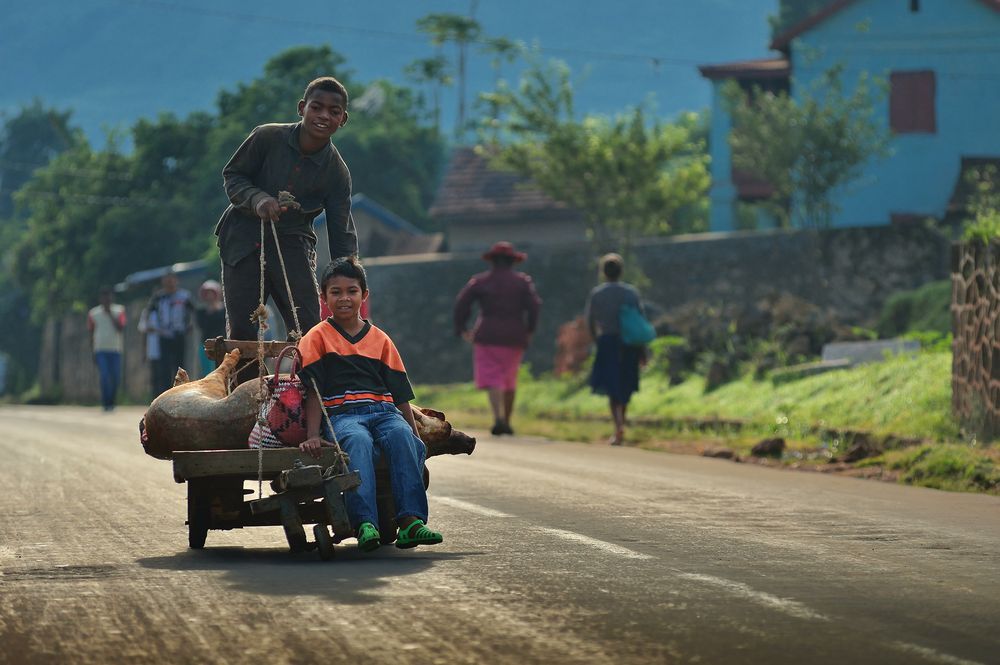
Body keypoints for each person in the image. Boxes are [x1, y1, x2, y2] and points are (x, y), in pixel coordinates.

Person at [297, 257, 442, 552]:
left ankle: (411, 522)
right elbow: (312, 392)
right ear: (323, 298)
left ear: (364, 296)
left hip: (384, 412)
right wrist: (313, 434)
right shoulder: (315, 339)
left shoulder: (381, 340)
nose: (344, 298)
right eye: (335, 292)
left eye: (352, 291)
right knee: (358, 442)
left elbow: (400, 395)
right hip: (342, 415)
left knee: (403, 438)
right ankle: (364, 522)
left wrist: (416, 437)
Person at [215, 76, 358, 368]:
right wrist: (257, 199)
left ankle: (304, 400)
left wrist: (348, 277)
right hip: (241, 239)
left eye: (333, 112)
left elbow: (340, 230)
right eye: (316, 107)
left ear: (342, 119)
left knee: (306, 326)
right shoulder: (267, 137)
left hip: (293, 243)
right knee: (243, 333)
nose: (323, 116)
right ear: (302, 108)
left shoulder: (336, 172)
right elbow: (233, 175)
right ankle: (250, 401)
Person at [453, 241, 542, 436]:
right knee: (509, 378)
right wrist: (529, 329)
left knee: (493, 377)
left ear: (492, 261)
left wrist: (462, 328)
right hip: (515, 334)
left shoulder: (481, 281)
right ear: (513, 261)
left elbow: (462, 303)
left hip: (487, 335)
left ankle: (498, 418)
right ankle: (508, 421)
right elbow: (534, 306)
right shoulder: (522, 282)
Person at [584, 253, 648, 446]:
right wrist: (643, 350)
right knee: (625, 383)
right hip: (629, 343)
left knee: (612, 385)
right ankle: (622, 423)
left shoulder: (597, 294)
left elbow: (589, 321)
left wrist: (597, 340)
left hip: (608, 343)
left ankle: (617, 424)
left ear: (604, 272)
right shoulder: (631, 293)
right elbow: (640, 323)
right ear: (621, 271)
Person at [145, 271, 194, 396]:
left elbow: (193, 312)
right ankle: (165, 394)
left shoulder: (184, 296)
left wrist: (190, 325)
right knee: (164, 367)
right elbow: (149, 313)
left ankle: (181, 393)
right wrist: (153, 327)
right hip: (164, 335)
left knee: (180, 366)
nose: (170, 283)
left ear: (176, 281)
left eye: (172, 280)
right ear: (163, 282)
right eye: (167, 280)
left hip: (179, 335)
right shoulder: (158, 297)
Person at [87, 287, 126, 411]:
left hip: (115, 349)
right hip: (100, 349)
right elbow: (91, 333)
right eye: (104, 297)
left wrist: (110, 314)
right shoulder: (93, 313)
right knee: (104, 376)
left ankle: (112, 401)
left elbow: (120, 328)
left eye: (108, 297)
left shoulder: (119, 311)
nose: (106, 300)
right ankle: (106, 403)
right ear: (101, 299)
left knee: (115, 377)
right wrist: (92, 351)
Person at [195, 280, 227, 377]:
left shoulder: (224, 310)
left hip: (222, 344)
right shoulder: (201, 312)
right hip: (206, 345)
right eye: (207, 294)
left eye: (212, 293)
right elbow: (201, 326)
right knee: (207, 372)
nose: (210, 296)